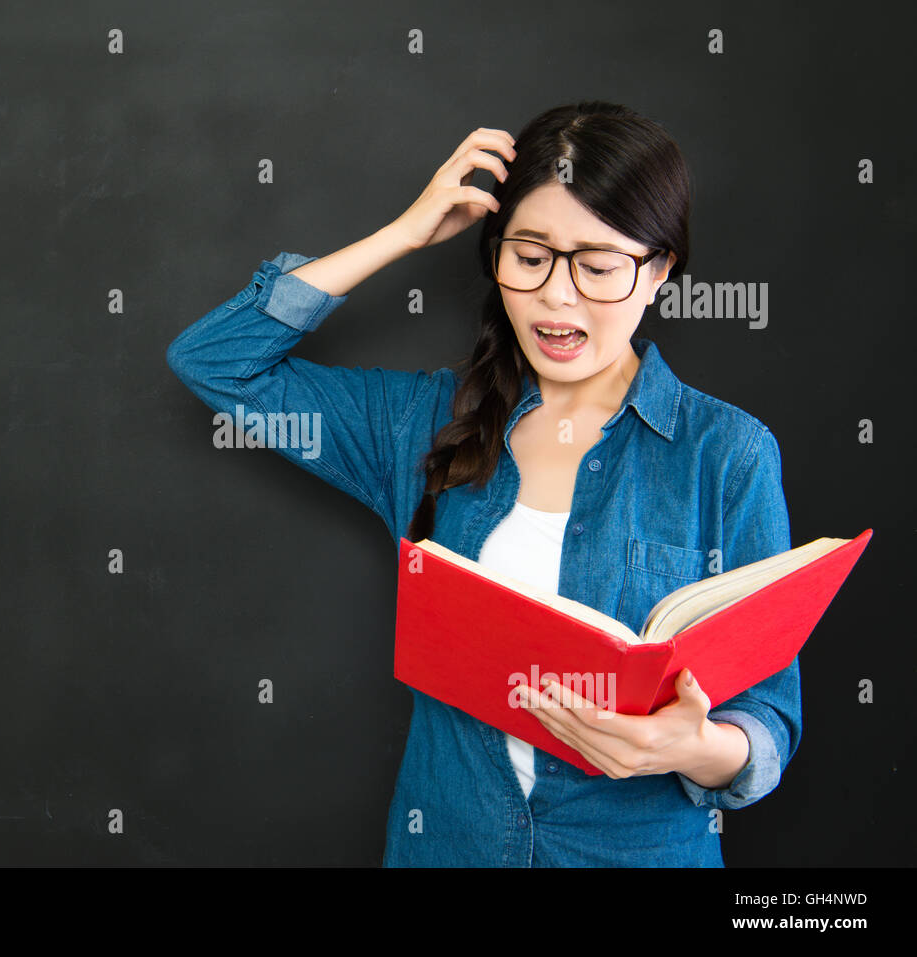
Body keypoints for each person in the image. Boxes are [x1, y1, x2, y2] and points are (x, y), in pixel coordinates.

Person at [165, 101, 800, 867]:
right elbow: (215, 361)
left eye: (598, 267)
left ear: (659, 270)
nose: (558, 297)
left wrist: (697, 746)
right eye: (529, 256)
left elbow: (768, 720)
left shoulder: (728, 454)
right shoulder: (421, 425)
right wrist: (402, 235)